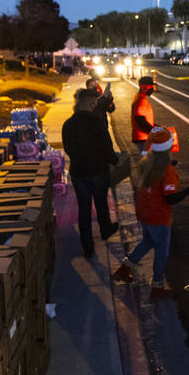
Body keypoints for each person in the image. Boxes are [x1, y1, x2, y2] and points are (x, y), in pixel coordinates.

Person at [113, 127, 189, 300]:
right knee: (162, 251)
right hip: (158, 216)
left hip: (144, 210)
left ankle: (125, 268)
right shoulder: (167, 171)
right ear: (168, 147)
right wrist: (188, 192)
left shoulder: (149, 162)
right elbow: (169, 199)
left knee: (148, 240)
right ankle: (157, 286)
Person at [60, 88, 119, 257]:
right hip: (97, 170)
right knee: (101, 203)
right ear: (91, 103)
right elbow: (107, 148)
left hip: (78, 172)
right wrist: (115, 161)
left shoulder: (68, 124)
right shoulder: (96, 123)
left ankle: (87, 246)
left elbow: (68, 149)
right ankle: (105, 229)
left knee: (84, 209)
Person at [130, 76, 156, 154]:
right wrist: (154, 131)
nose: (152, 89)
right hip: (142, 138)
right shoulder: (140, 100)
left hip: (144, 137)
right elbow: (140, 120)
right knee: (148, 162)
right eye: (150, 86)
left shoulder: (141, 97)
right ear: (143, 87)